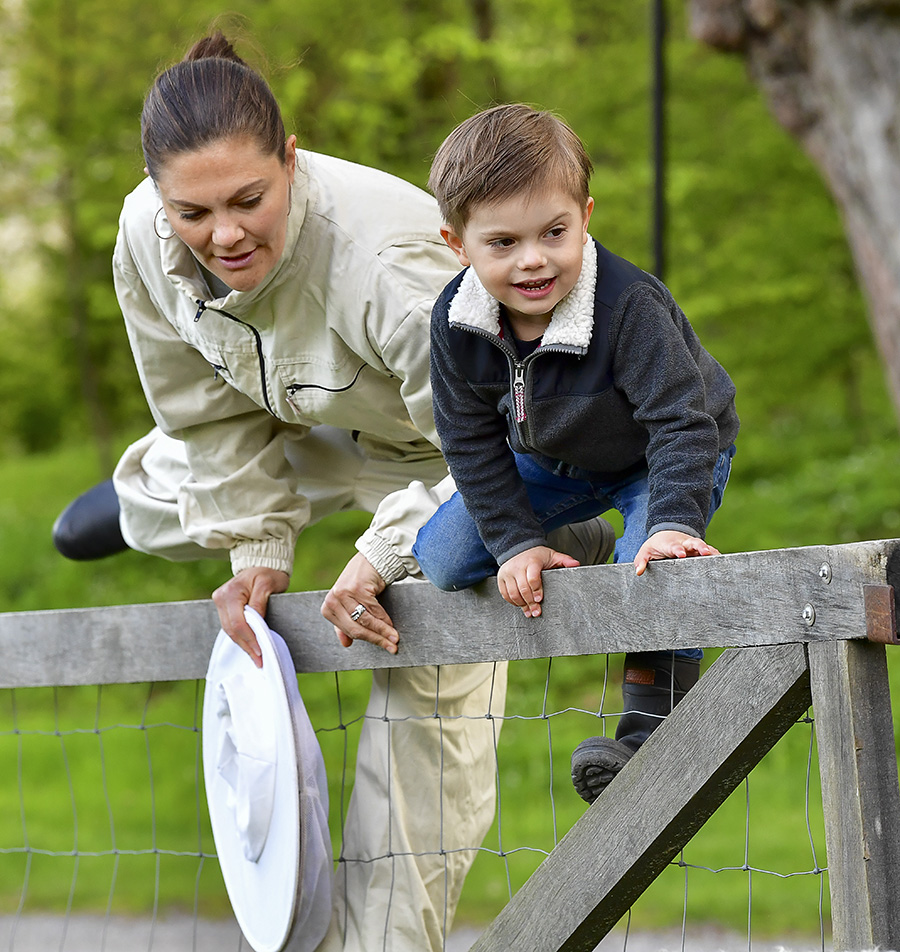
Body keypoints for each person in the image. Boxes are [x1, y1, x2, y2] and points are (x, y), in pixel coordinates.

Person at [51, 36, 619, 950]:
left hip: (461, 451)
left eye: (249, 201)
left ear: (292, 160)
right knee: (195, 483)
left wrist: (386, 553)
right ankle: (151, 498)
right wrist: (256, 553)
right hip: (298, 417)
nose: (225, 234)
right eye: (193, 211)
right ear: (158, 196)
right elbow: (197, 405)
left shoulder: (388, 267)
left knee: (433, 638)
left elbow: (493, 451)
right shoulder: (143, 236)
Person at [411, 104, 740, 804]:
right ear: (456, 242)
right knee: (441, 557)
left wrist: (675, 522)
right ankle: (574, 538)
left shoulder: (627, 306)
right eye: (502, 242)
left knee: (653, 569)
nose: (534, 259)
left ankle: (648, 738)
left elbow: (682, 422)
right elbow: (469, 441)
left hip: (667, 452)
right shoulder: (455, 323)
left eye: (554, 233)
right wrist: (515, 544)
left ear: (584, 216)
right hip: (557, 463)